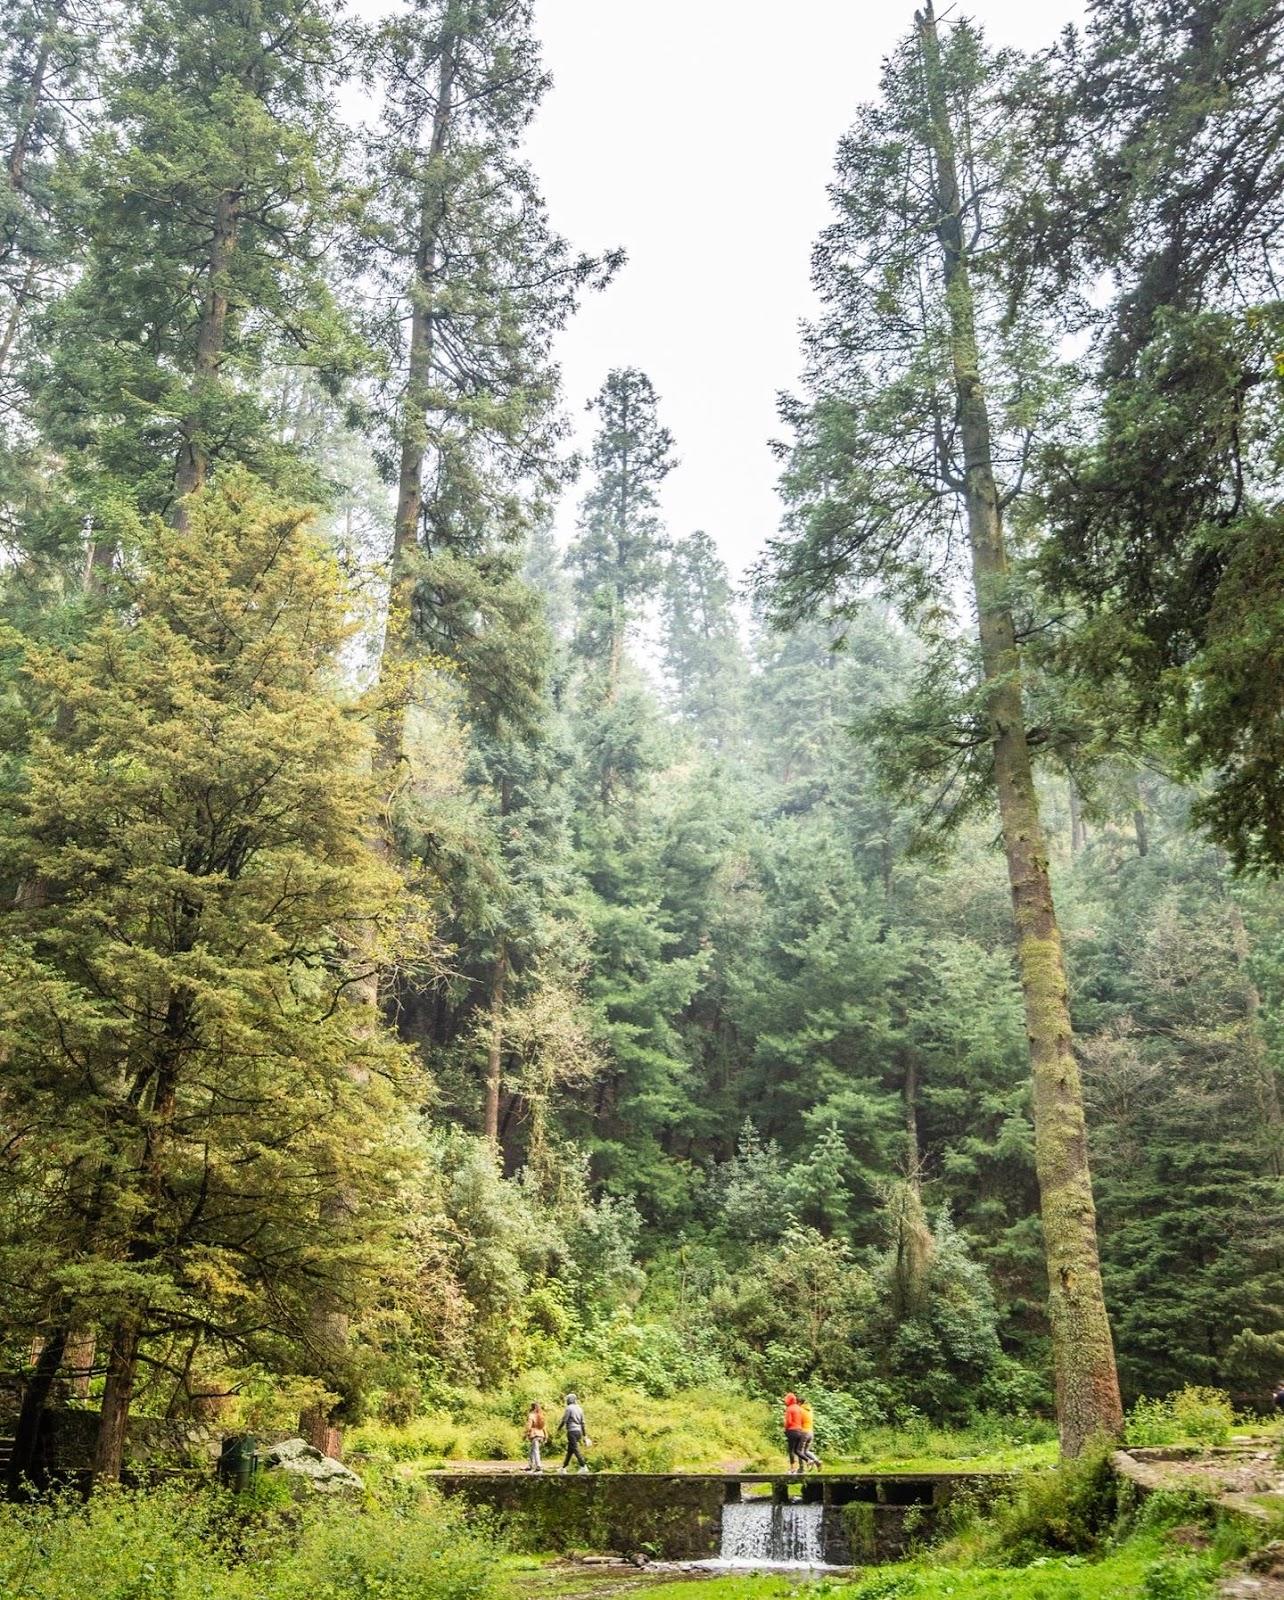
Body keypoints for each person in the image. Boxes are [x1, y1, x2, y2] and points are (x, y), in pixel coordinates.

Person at [556, 1391, 591, 1473]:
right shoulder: (580, 1409)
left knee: (575, 1449)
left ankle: (583, 1466)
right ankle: (563, 1468)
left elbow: (564, 1420)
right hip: (579, 1431)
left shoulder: (569, 1408)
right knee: (570, 1450)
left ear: (569, 1400)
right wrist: (584, 1435)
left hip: (572, 1431)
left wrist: (559, 1429)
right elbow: (583, 1423)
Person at [797, 1396, 821, 1471]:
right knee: (806, 1451)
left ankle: (801, 1469)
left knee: (799, 1451)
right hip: (810, 1432)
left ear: (799, 1403)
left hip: (803, 1432)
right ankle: (817, 1461)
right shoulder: (809, 1409)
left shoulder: (800, 1410)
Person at [783, 1392, 804, 1473]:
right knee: (797, 1450)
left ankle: (792, 1468)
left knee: (791, 1450)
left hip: (792, 1431)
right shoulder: (799, 1408)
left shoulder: (789, 1408)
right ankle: (805, 1464)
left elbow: (788, 1421)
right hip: (800, 1430)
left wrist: (785, 1428)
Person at [523, 1401, 547, 1473]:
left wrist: (525, 1434)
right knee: (532, 1451)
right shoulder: (541, 1415)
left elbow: (529, 1427)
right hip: (541, 1435)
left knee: (535, 1451)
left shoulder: (531, 1415)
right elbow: (544, 1427)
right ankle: (530, 1466)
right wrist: (546, 1436)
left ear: (532, 1408)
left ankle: (538, 1467)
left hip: (535, 1435)